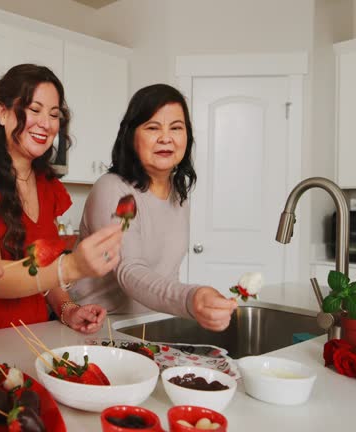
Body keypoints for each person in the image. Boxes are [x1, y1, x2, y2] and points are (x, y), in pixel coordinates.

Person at [0, 64, 124, 340]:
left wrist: (67, 309)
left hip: (30, 337)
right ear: (1, 112)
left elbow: (45, 269)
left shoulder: (46, 183)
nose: (46, 123)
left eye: (54, 114)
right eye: (34, 109)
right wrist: (71, 267)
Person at [69, 84, 238, 332]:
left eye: (176, 128)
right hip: (98, 327)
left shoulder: (178, 195)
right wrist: (192, 298)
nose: (166, 138)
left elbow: (167, 274)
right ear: (131, 135)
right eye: (152, 127)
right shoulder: (113, 189)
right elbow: (130, 270)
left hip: (147, 324)